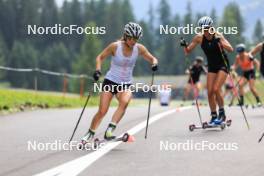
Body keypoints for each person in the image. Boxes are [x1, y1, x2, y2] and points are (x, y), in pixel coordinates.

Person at [81, 22, 158, 144]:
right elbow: (100, 57)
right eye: (132, 38)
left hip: (126, 83)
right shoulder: (115, 46)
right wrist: (97, 70)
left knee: (125, 102)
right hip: (110, 81)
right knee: (102, 111)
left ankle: (110, 130)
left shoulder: (139, 49)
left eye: (136, 39)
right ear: (126, 36)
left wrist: (154, 64)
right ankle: (90, 132)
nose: (134, 41)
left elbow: (153, 58)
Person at [180, 16, 233, 125]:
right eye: (203, 29)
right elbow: (187, 51)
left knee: (216, 88)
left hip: (223, 64)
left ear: (211, 27)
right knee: (209, 92)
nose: (205, 31)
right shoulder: (199, 38)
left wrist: (220, 42)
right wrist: (184, 45)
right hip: (212, 66)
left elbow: (230, 49)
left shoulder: (218, 35)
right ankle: (214, 116)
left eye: (207, 28)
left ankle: (222, 114)